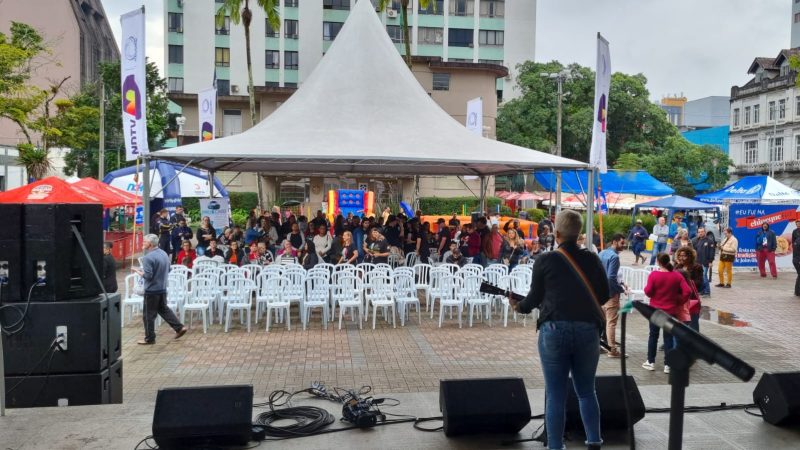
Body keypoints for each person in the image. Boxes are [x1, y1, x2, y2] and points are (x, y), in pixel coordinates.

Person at [509, 210, 608, 450]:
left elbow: (533, 298)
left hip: (554, 329)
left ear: (557, 233)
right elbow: (604, 295)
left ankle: (555, 446)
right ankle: (594, 441)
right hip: (587, 330)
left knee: (555, 394)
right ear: (579, 234)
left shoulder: (545, 260)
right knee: (587, 391)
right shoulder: (593, 259)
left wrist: (518, 306)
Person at [133, 234, 187, 345]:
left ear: (150, 243)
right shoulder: (164, 253)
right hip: (162, 288)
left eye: (144, 242)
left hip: (152, 290)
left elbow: (148, 276)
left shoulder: (148, 258)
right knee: (163, 309)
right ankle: (179, 327)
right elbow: (168, 269)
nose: (143, 243)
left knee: (148, 315)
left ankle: (149, 338)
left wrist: (138, 271)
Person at [642, 253, 691, 373]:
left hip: (655, 311)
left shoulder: (654, 275)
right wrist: (678, 300)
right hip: (671, 311)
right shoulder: (677, 276)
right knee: (668, 337)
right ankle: (668, 365)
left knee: (653, 336)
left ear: (658, 262)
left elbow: (648, 292)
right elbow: (687, 291)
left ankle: (650, 361)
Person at [599, 233, 628, 358]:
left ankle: (602, 346)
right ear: (614, 242)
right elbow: (611, 277)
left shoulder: (602, 253)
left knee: (602, 320)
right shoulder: (614, 257)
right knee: (611, 322)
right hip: (610, 294)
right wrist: (620, 289)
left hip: (600, 293)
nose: (624, 245)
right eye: (622, 243)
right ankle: (612, 350)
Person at [675, 246, 703, 332]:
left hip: (692, 299)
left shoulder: (697, 267)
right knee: (679, 325)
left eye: (684, 256)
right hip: (680, 299)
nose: (681, 258)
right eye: (679, 255)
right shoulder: (677, 266)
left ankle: (695, 343)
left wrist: (685, 282)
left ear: (690, 256)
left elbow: (699, 283)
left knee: (693, 325)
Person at [692, 227, 715, 296]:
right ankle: (702, 290)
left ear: (705, 232)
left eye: (702, 232)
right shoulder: (696, 240)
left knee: (704, 277)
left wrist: (710, 261)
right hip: (697, 262)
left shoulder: (709, 241)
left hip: (705, 262)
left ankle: (707, 292)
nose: (700, 233)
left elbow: (712, 252)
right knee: (700, 277)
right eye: (699, 232)